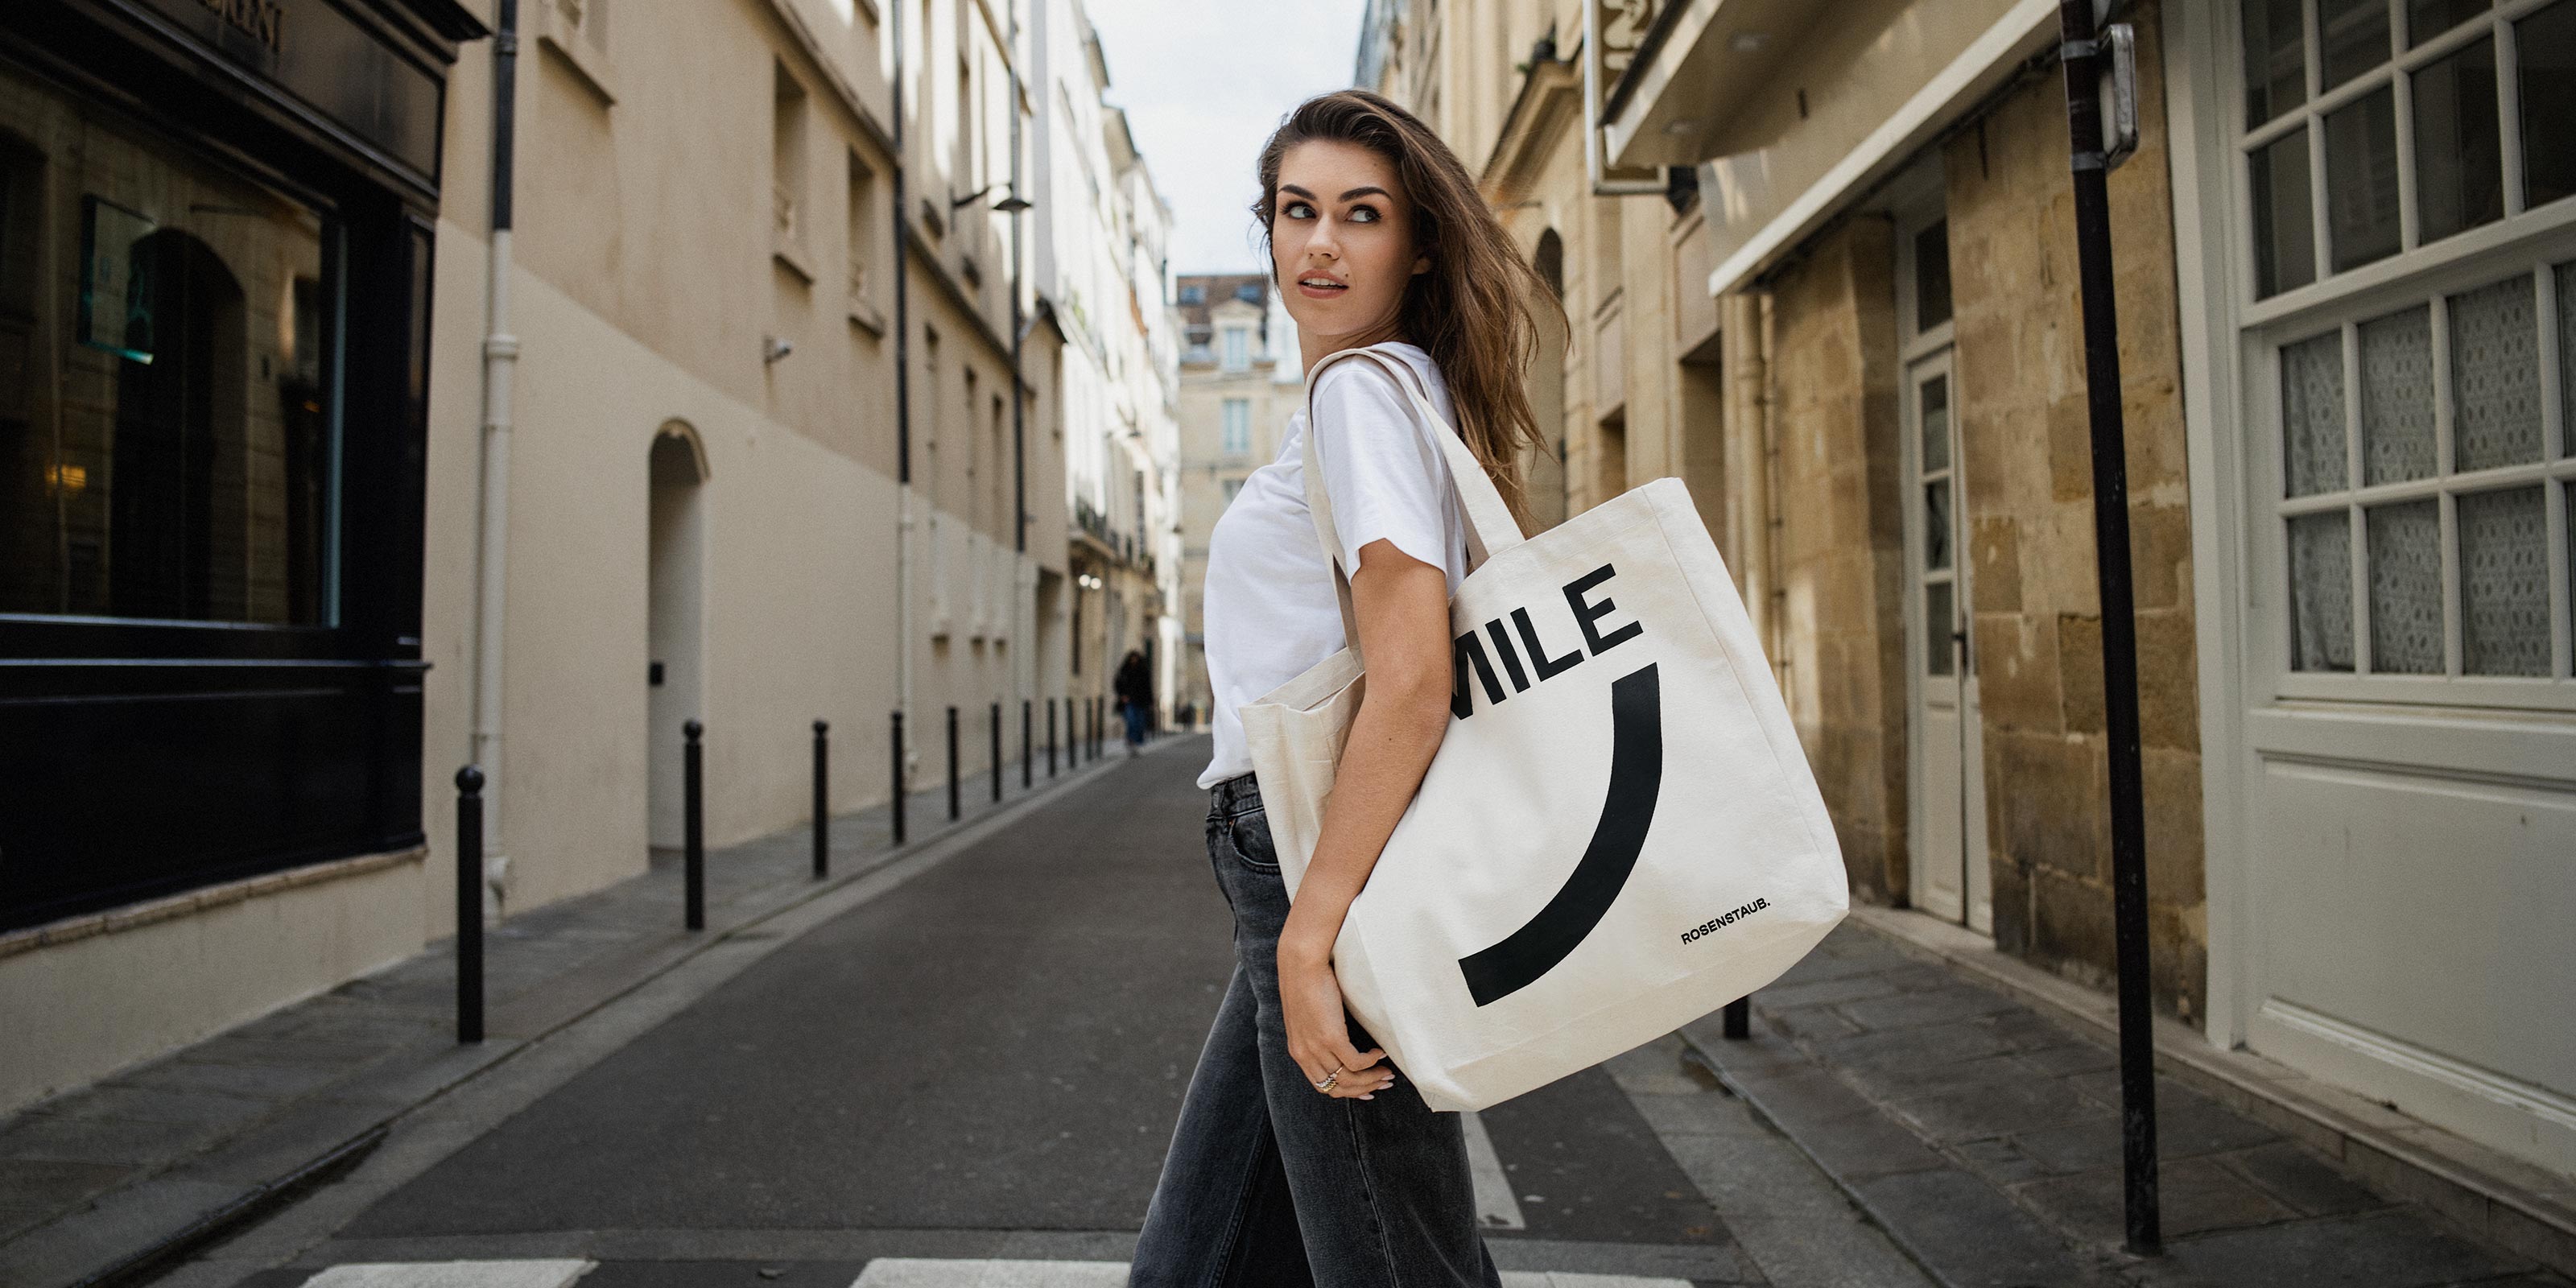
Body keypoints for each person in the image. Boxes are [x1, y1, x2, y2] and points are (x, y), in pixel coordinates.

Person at [1129, 90, 1558, 1288]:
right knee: (1195, 1263)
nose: (1319, 243)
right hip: (1297, 863)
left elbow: (1414, 677)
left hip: (1317, 856)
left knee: (1389, 1259)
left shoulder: (1361, 396)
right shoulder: (1396, 391)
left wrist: (1312, 935)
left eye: (1359, 215)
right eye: (1295, 210)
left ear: (1414, 244)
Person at [1115, 649, 1154, 757]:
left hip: (1141, 702)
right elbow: (1118, 684)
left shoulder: (1143, 671)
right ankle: (1131, 742)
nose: (1134, 660)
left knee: (1140, 723)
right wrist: (1123, 696)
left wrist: (1150, 702)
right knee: (1131, 722)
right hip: (1129, 702)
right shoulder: (1124, 670)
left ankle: (1136, 743)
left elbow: (1148, 687)